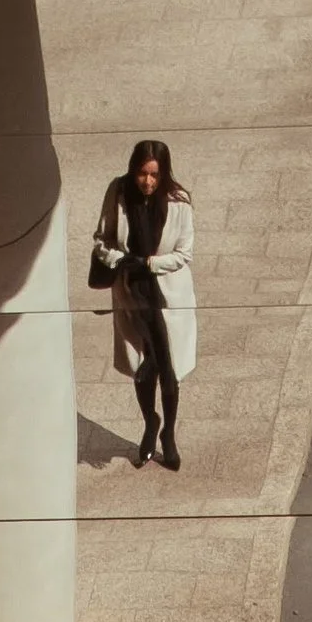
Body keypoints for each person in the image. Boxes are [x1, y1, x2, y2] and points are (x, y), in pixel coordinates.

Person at [94, 138, 196, 471]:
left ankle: (168, 435)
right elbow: (102, 239)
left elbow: (184, 253)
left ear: (164, 173)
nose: (147, 182)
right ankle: (150, 422)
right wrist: (120, 260)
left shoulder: (179, 201)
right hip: (132, 292)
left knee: (167, 369)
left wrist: (149, 264)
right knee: (143, 368)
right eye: (142, 173)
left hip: (167, 295)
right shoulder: (119, 192)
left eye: (154, 175)